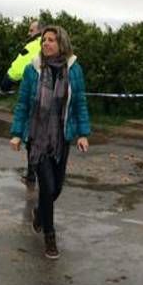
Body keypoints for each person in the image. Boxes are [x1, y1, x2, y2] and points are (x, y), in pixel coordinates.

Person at [9, 25, 91, 259]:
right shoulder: (31, 70)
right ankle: (50, 237)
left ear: (61, 44)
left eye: (51, 40)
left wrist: (82, 134)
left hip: (61, 137)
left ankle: (39, 213)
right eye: (44, 40)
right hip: (37, 137)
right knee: (46, 185)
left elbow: (80, 104)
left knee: (55, 189)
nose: (45, 43)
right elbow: (23, 104)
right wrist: (17, 133)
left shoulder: (74, 70)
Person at [0, 20, 43, 185]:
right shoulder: (57, 43)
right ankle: (40, 173)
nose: (28, 33)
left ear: (39, 31)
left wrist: (6, 82)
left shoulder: (34, 44)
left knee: (32, 135)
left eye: (31, 30)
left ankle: (33, 173)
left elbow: (18, 68)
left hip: (35, 95)